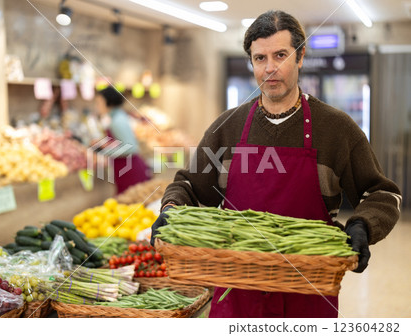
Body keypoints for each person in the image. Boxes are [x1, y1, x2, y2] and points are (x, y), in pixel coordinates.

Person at [151, 10, 401, 318]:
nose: (270, 69)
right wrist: (171, 210)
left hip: (308, 294)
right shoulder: (227, 127)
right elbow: (190, 186)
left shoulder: (336, 128)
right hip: (237, 296)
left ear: (300, 56)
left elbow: (382, 194)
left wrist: (363, 225)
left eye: (280, 55)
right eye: (260, 58)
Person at [95, 86, 150, 193]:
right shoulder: (117, 116)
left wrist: (103, 151)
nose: (97, 106)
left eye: (98, 103)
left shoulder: (117, 120)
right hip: (126, 167)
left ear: (108, 102)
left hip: (129, 170)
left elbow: (131, 148)